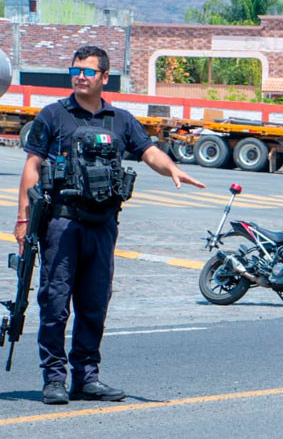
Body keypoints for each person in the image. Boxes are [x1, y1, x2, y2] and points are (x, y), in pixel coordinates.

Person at [14, 46, 206, 405]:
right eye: (76, 70)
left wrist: (173, 169)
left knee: (95, 304)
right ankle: (54, 378)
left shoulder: (120, 120)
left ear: (105, 77)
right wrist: (23, 219)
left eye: (88, 71)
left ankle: (86, 377)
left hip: (102, 226)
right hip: (62, 224)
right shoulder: (53, 116)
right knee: (55, 304)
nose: (80, 76)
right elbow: (32, 165)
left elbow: (149, 152)